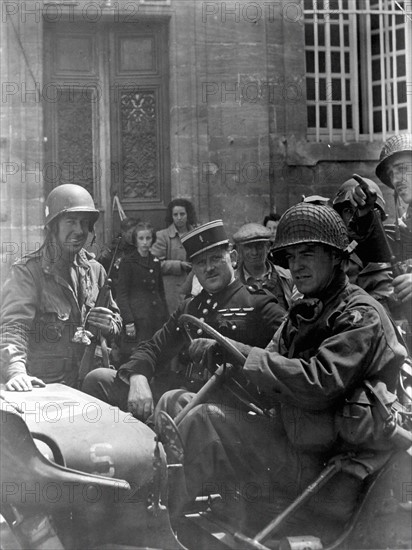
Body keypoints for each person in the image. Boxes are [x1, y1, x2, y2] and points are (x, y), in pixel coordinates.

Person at [169, 203, 406, 539]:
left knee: (204, 421)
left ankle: (158, 524)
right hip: (297, 444)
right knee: (179, 403)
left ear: (336, 257)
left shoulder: (359, 314)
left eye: (307, 254)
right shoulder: (304, 311)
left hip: (332, 466)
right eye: (291, 258)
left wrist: (245, 356)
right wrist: (229, 358)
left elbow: (318, 381)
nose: (297, 266)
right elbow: (267, 366)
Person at [83, 220, 287, 421]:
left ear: (233, 257)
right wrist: (138, 376)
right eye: (200, 263)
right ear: (193, 269)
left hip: (233, 406)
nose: (209, 268)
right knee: (98, 380)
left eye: (216, 258)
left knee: (173, 401)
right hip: (185, 395)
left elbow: (286, 359)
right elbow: (153, 348)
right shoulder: (191, 308)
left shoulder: (258, 304)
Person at [0, 184, 122, 391]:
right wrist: (16, 370)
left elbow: (116, 319)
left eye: (85, 223)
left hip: (89, 384)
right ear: (53, 226)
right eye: (71, 222)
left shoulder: (96, 270)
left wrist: (111, 324)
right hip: (45, 386)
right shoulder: (28, 272)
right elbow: (13, 327)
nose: (79, 231)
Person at [347, 134, 412, 350]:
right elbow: (378, 256)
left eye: (402, 168)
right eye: (392, 173)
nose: (396, 180)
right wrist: (366, 214)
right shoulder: (405, 226)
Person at [332, 177, 397, 310]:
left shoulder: (395, 246)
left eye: (365, 211)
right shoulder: (331, 254)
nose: (355, 218)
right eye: (349, 211)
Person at [116, 221, 168, 362]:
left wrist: (165, 317)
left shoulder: (155, 261)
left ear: (153, 239)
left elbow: (160, 291)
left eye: (148, 238)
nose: (145, 242)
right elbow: (122, 295)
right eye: (141, 238)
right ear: (135, 240)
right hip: (138, 320)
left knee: (157, 354)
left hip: (155, 317)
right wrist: (129, 321)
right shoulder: (128, 262)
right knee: (139, 356)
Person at [151, 198, 197, 314]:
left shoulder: (196, 233)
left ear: (188, 215)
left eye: (182, 214)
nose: (179, 218)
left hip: (196, 285)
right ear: (171, 216)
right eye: (175, 214)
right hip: (172, 290)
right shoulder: (163, 236)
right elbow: (153, 264)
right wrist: (179, 265)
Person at [233, 222, 293, 310]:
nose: (254, 252)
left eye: (259, 246)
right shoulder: (233, 281)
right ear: (240, 250)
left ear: (268, 248)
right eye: (248, 247)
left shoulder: (286, 277)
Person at [97, 217, 140, 297]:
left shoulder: (140, 247)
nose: (135, 236)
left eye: (136, 233)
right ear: (123, 232)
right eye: (131, 233)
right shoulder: (114, 249)